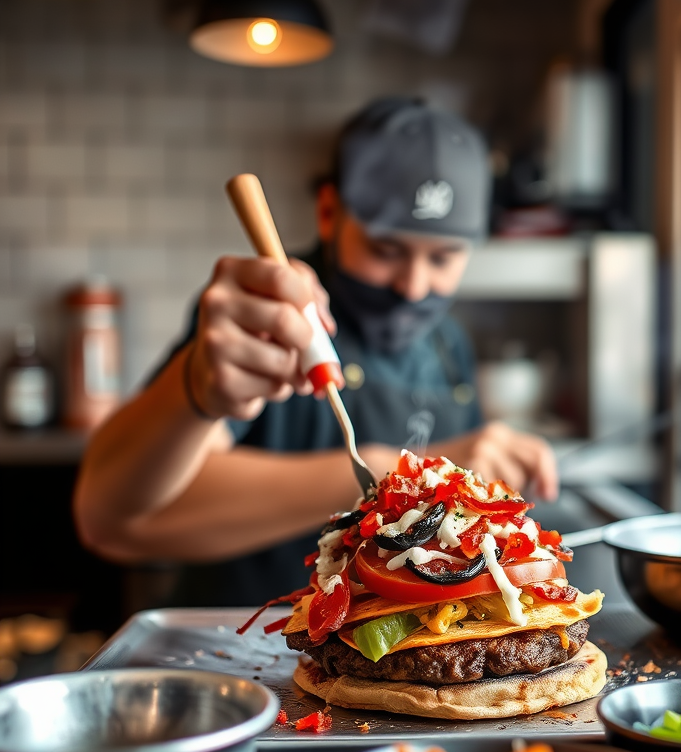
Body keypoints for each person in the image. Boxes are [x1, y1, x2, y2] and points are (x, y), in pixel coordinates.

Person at [74, 98, 559, 605]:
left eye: (443, 257)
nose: (414, 286)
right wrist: (394, 472)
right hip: (241, 633)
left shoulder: (449, 343)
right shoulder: (268, 316)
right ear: (329, 213)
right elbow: (116, 521)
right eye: (386, 250)